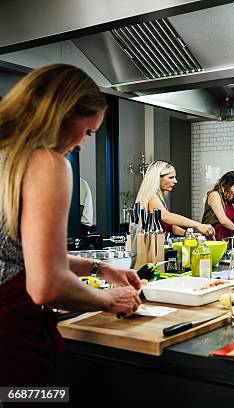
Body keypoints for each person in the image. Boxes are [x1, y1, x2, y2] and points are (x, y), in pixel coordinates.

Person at [0, 64, 142, 386]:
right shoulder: (48, 164)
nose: (81, 145)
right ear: (62, 112)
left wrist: (99, 268)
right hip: (11, 337)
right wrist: (109, 300)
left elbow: (19, 256)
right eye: (88, 132)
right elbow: (46, 285)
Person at [136, 160, 214, 237]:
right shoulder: (152, 197)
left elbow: (171, 227)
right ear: (157, 178)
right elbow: (166, 217)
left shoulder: (159, 198)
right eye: (171, 177)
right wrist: (198, 225)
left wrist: (189, 234)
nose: (175, 181)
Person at [202, 171, 234, 241]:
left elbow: (231, 224)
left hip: (225, 242)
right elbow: (223, 221)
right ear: (228, 185)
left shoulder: (228, 201)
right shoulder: (214, 195)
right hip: (212, 243)